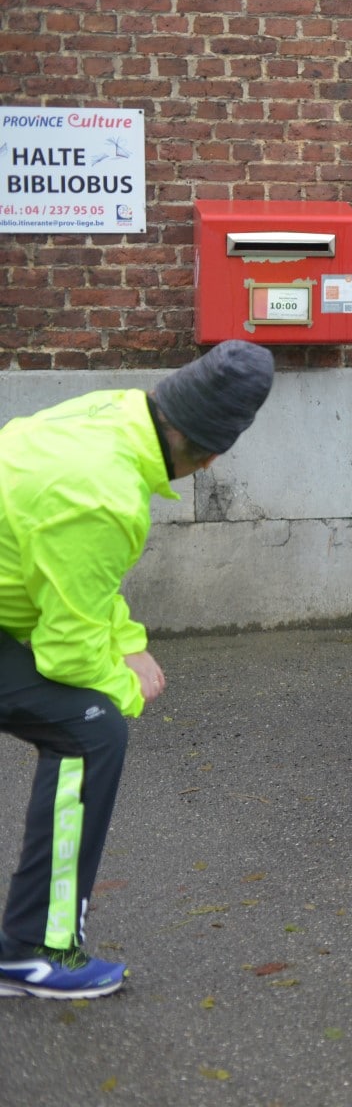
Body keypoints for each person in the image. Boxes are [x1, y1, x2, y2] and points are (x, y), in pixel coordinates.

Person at [0, 341, 275, 998]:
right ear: (210, 454)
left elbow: (75, 580)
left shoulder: (116, 412)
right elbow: (66, 651)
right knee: (90, 727)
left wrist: (127, 640)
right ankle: (33, 951)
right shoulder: (106, 498)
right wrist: (124, 687)